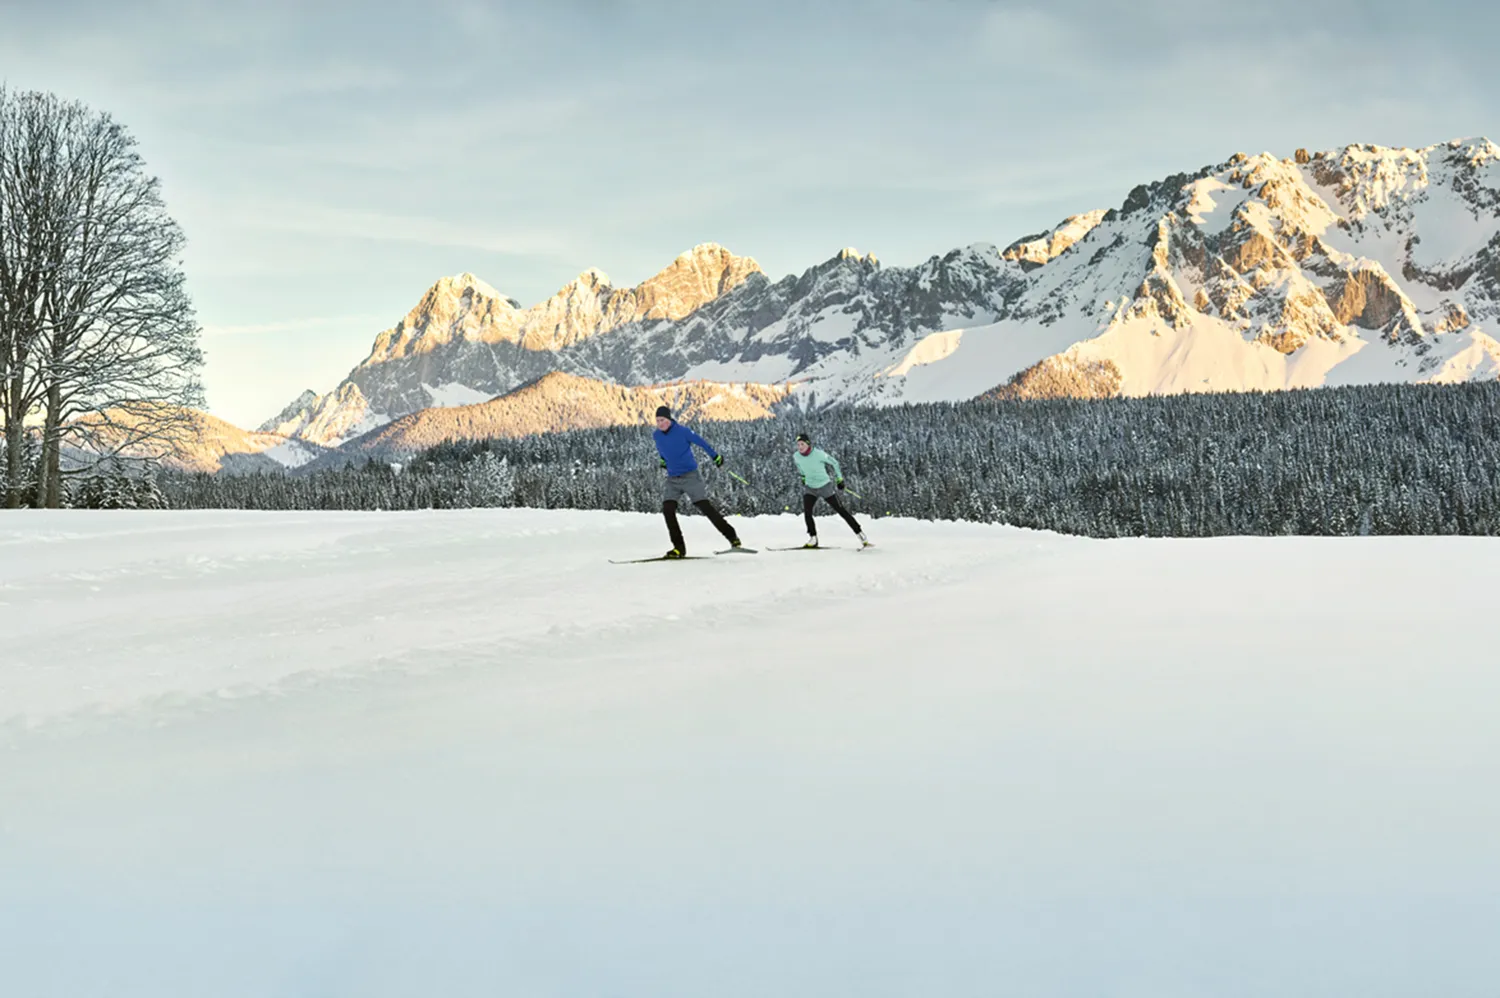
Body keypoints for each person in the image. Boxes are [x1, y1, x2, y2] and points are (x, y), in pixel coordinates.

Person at [652, 405, 743, 559]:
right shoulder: (657, 435)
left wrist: (715, 457)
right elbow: (661, 449)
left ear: (669, 419)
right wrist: (662, 460)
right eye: (657, 421)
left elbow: (701, 443)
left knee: (704, 507)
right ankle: (678, 548)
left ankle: (732, 537)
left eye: (662, 420)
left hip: (690, 476)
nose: (660, 424)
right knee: (668, 509)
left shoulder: (683, 431)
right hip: (673, 479)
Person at [793, 432, 869, 548]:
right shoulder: (796, 456)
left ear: (808, 444)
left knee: (841, 510)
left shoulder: (819, 454)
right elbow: (800, 468)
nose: (800, 447)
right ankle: (813, 538)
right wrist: (803, 477)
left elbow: (835, 463)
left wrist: (840, 480)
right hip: (810, 488)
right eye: (798, 445)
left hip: (825, 487)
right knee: (807, 512)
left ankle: (860, 534)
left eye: (802, 444)